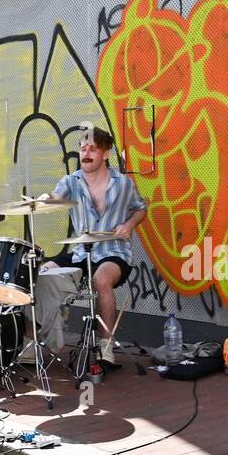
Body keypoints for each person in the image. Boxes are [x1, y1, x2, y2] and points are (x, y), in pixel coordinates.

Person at [35, 126, 148, 366]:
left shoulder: (123, 184)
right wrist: (47, 200)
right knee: (40, 274)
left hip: (114, 252)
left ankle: (105, 347)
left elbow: (141, 208)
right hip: (80, 252)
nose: (86, 154)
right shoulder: (70, 181)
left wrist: (129, 224)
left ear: (105, 153)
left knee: (101, 280)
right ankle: (33, 342)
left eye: (93, 149)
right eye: (83, 148)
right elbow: (56, 197)